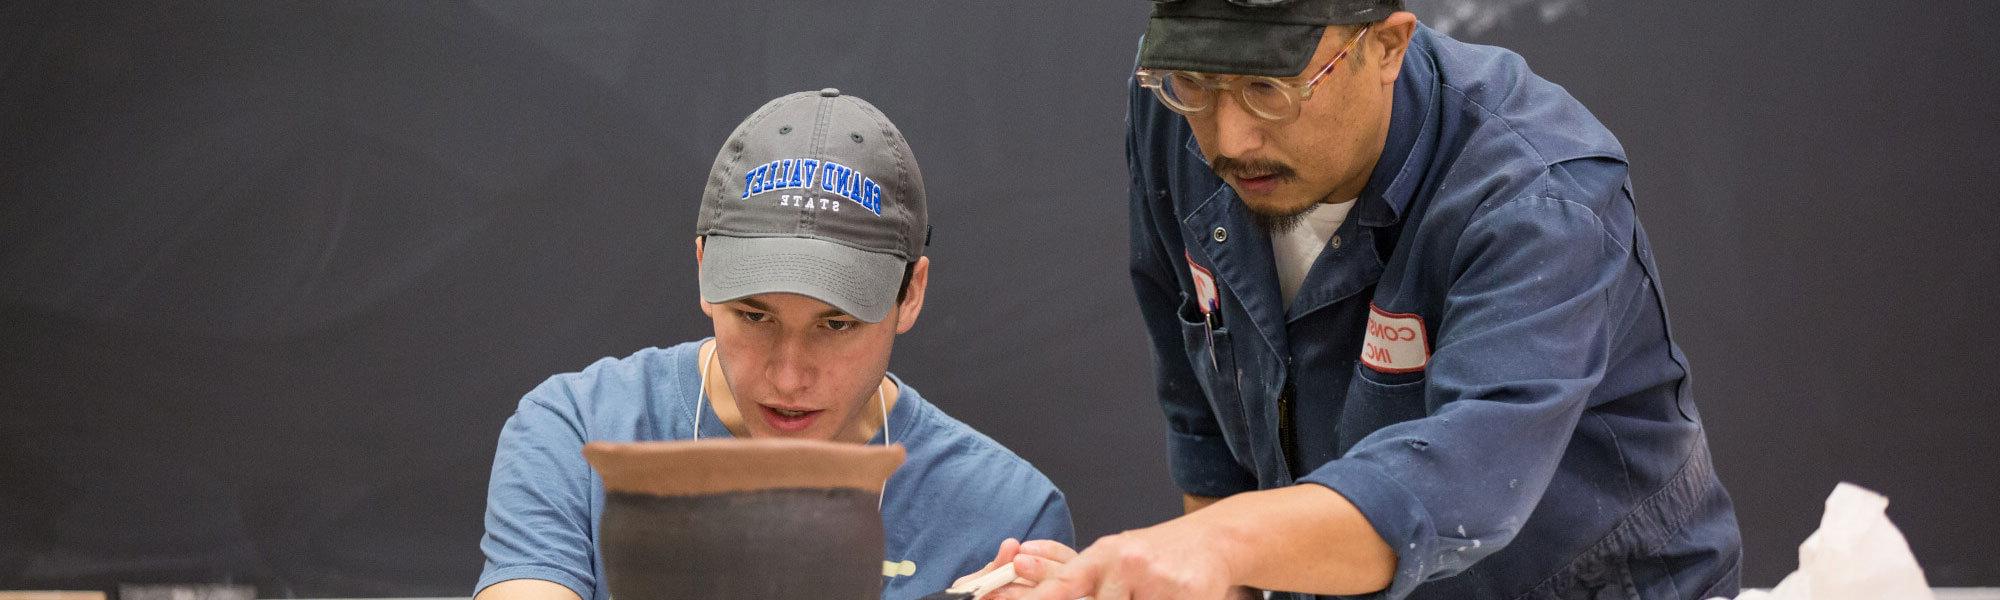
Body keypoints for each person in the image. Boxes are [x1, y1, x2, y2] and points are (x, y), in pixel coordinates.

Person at [984, 2, 1742, 599]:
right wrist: (1159, 576)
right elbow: (1203, 421)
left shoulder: (1539, 195)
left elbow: (1466, 479)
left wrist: (1214, 547)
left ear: (1387, 45)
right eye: (1197, 83)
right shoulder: (1173, 113)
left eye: (1268, 88)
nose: (1230, 137)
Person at [473, 88, 1074, 600]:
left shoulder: (1006, 519)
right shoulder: (575, 433)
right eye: (754, 315)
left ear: (910, 294)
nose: (787, 378)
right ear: (705, 270)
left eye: (835, 324)